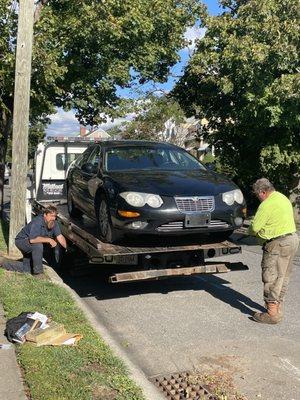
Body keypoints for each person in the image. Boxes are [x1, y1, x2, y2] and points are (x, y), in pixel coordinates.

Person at [249, 178, 299, 324]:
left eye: (258, 195)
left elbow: (255, 228)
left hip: (277, 243)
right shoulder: (282, 198)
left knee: (271, 277)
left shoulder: (266, 204)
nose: (258, 198)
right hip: (292, 239)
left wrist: (250, 230)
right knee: (283, 276)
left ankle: (271, 314)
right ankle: (278, 308)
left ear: (263, 192)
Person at [1, 205, 67, 275]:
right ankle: (38, 273)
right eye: (51, 216)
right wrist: (49, 240)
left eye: (55, 216)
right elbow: (32, 240)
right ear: (45, 215)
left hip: (31, 244)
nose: (53, 218)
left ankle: (3, 262)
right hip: (22, 241)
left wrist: (66, 248)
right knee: (38, 245)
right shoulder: (37, 221)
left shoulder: (54, 223)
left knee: (27, 269)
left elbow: (60, 236)